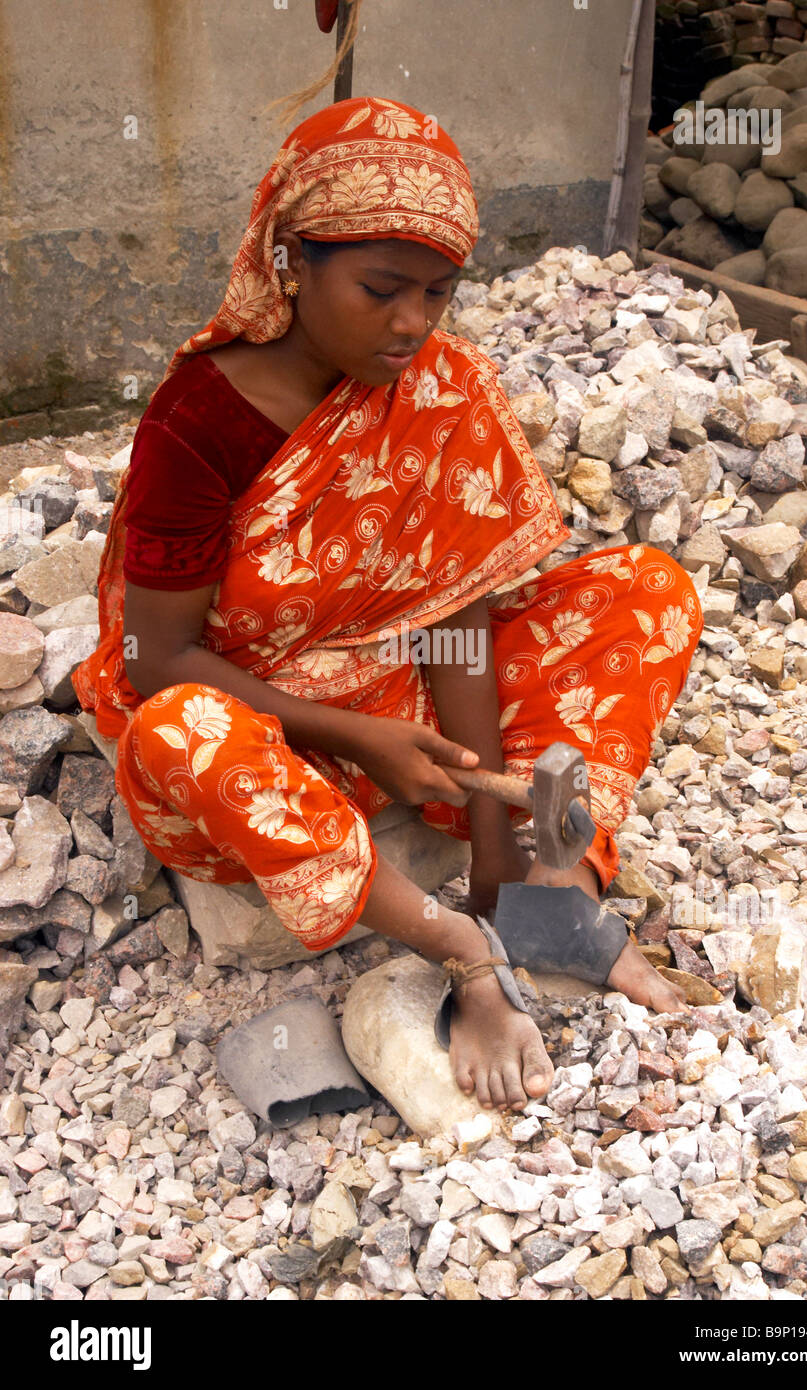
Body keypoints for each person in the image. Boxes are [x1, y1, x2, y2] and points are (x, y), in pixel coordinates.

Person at [73, 95, 703, 1115]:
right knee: (176, 731)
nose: (413, 323)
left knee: (644, 591)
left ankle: (553, 895)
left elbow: (454, 611)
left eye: (440, 294)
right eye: (381, 289)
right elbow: (155, 657)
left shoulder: (443, 388)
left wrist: (495, 846)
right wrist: (355, 736)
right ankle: (454, 947)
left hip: (399, 702)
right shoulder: (199, 422)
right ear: (292, 262)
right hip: (259, 722)